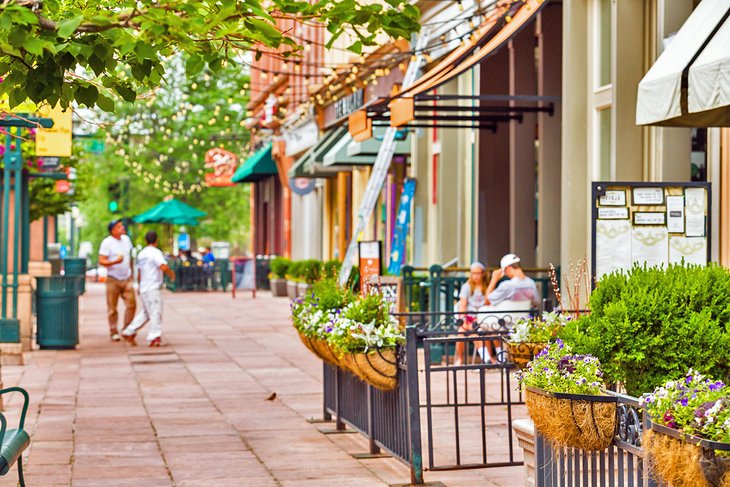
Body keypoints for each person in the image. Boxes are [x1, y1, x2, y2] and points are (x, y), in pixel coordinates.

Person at [122, 231, 175, 347]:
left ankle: (129, 330)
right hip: (153, 286)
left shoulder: (142, 254)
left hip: (145, 287)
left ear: (146, 240)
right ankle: (154, 336)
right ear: (156, 240)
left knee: (146, 312)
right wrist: (171, 274)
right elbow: (162, 266)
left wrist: (140, 286)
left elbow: (139, 272)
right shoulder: (155, 253)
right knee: (156, 311)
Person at [98, 220, 136, 341]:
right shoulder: (107, 242)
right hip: (112, 279)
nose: (122, 228)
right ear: (113, 230)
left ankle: (126, 328)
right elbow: (101, 260)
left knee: (132, 304)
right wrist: (114, 262)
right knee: (112, 308)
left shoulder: (126, 240)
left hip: (126, 278)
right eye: (119, 227)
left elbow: (129, 258)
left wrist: (131, 273)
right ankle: (113, 331)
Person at [453, 262, 488, 366]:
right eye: (473, 273)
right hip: (469, 318)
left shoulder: (487, 287)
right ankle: (460, 358)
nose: (476, 276)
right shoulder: (467, 287)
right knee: (461, 331)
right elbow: (462, 306)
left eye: (478, 273)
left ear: (483, 274)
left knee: (478, 331)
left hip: (483, 317)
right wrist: (463, 318)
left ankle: (487, 358)